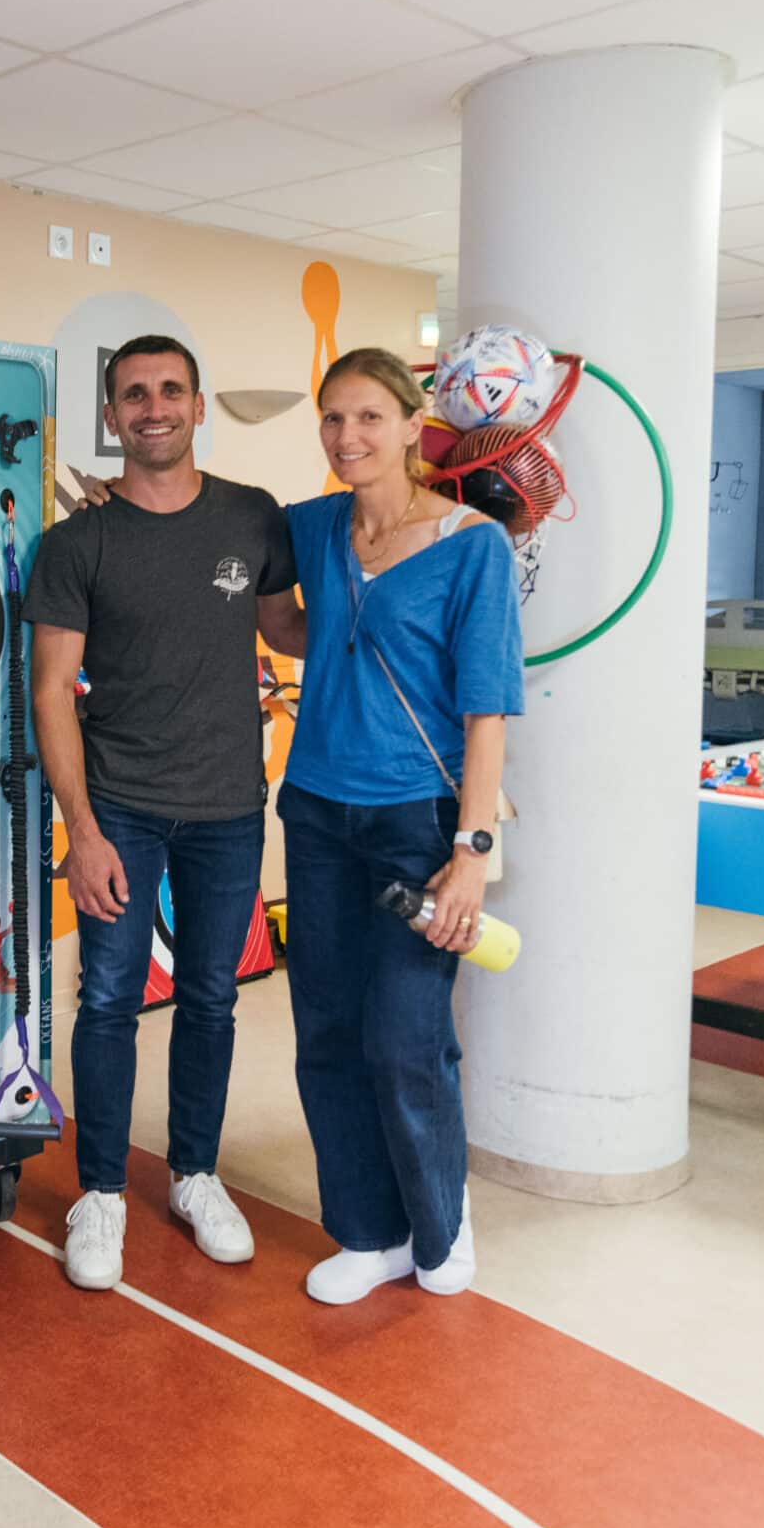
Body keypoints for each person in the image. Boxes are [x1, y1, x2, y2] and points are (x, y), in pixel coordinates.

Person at [28, 333, 299, 1293]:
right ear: (111, 415)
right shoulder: (76, 543)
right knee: (106, 1002)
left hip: (228, 806)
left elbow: (286, 630)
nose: (153, 408)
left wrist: (389, 589)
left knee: (212, 1000)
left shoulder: (253, 518)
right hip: (124, 812)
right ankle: (98, 1192)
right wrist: (84, 830)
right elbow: (52, 691)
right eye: (133, 394)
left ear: (197, 402)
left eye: (170, 390)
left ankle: (193, 1174)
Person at [266, 347, 522, 1307]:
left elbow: (486, 709)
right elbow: (288, 623)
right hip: (318, 811)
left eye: (370, 417)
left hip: (419, 819)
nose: (348, 437)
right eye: (333, 418)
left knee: (405, 1038)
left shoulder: (471, 545)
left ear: (415, 425)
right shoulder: (319, 526)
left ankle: (439, 1224)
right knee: (326, 1030)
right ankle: (366, 1232)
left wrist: (471, 855)